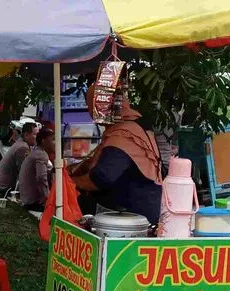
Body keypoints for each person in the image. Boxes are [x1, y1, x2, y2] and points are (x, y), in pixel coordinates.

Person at [70, 90, 163, 224]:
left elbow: (101, 178)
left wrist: (70, 182)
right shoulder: (133, 127)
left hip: (130, 219)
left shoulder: (123, 134)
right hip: (136, 211)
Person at [18, 126, 54, 212]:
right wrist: (48, 198)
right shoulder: (41, 155)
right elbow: (41, 178)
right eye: (52, 139)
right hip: (33, 202)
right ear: (43, 141)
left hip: (25, 196)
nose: (54, 142)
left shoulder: (36, 151)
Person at [0, 122, 36, 196]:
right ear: (26, 135)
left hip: (3, 185)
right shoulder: (22, 148)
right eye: (35, 135)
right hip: (6, 189)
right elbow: (25, 173)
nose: (38, 138)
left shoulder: (21, 143)